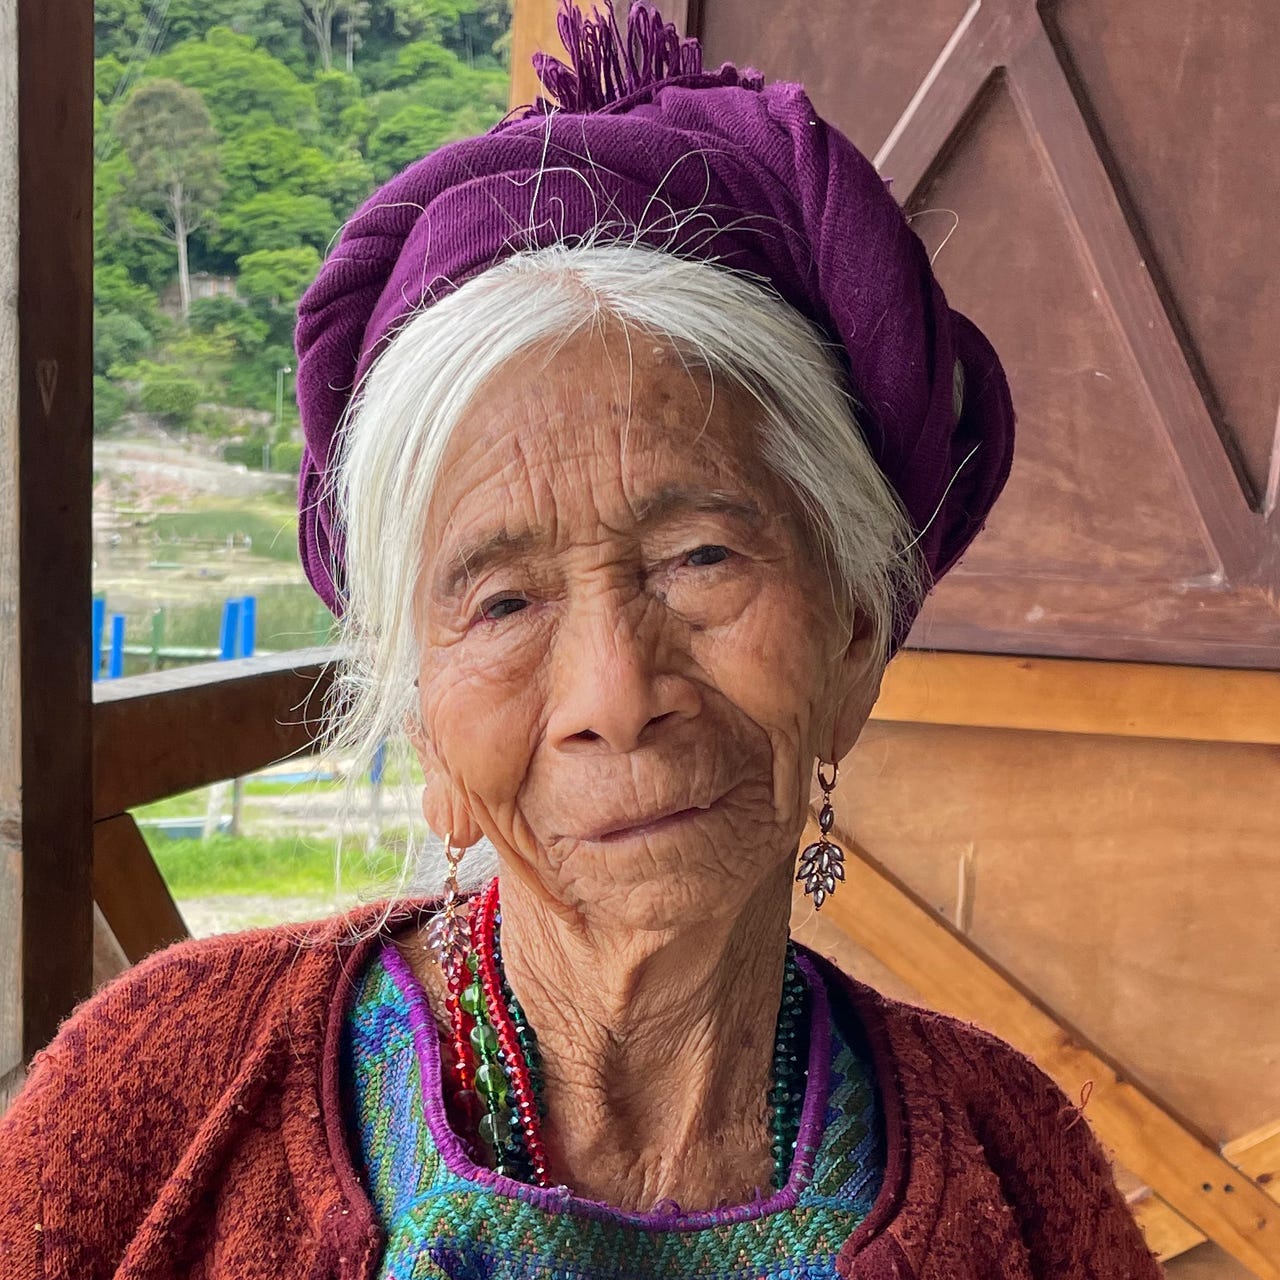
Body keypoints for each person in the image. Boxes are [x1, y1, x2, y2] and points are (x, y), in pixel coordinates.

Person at [0, 4, 1164, 1277]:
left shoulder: (1015, 1171)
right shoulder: (159, 1094)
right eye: (501, 601)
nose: (615, 693)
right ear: (422, 725)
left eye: (699, 557)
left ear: (852, 639)